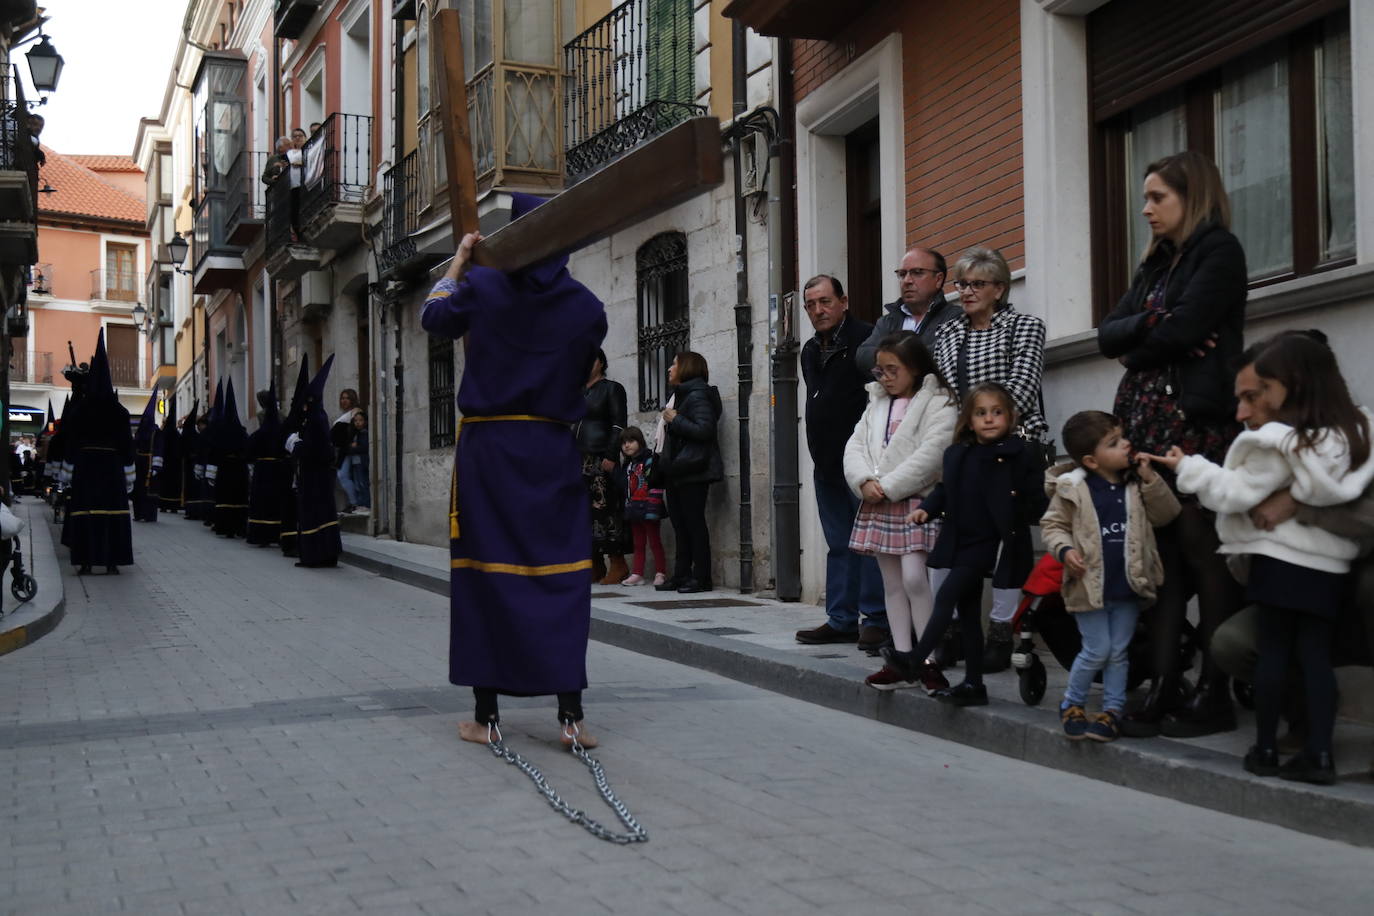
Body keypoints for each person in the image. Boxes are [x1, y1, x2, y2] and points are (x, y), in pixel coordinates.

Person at [420, 193, 607, 746]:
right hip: (551, 448)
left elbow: (434, 317)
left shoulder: (483, 287)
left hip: (490, 451)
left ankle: (487, 718)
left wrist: (460, 263)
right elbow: (584, 365)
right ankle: (571, 720)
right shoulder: (588, 308)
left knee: (485, 577)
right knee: (563, 576)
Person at [1148, 333, 1374, 785]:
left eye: (1256, 395)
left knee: (1276, 652)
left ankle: (1266, 749)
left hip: (1292, 567)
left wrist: (1188, 468)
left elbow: (1232, 493)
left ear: (1290, 386)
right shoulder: (1350, 441)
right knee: (1306, 654)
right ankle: (1319, 754)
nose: (1242, 414)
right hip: (1328, 571)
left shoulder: (1274, 443)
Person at [1097, 150, 1248, 739]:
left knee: (1201, 551)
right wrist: (1152, 331)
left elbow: (1186, 328)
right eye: (1146, 197)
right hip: (1144, 422)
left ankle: (1214, 691)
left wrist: (1153, 332)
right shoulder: (1157, 262)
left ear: (1194, 196)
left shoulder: (1219, 252)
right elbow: (1112, 335)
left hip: (1194, 422)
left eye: (1158, 197)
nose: (1146, 209)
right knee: (1158, 558)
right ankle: (1164, 684)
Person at [885, 383, 1049, 705]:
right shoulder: (959, 453)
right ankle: (974, 685)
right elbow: (945, 491)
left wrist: (1042, 509)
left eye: (997, 412)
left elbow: (1035, 496)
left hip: (991, 542)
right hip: (961, 538)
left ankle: (915, 660)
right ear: (969, 420)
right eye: (981, 413)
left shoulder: (1018, 454)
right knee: (969, 614)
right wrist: (925, 510)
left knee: (946, 594)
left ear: (1011, 417)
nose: (989, 419)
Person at [930, 246, 1048, 673]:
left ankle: (1002, 633)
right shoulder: (948, 333)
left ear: (1000, 288)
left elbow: (1021, 389)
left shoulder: (1025, 327)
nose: (967, 291)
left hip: (1015, 448)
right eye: (962, 283)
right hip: (967, 453)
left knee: (1009, 542)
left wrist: (981, 420)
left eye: (977, 283)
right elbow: (949, 396)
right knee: (958, 539)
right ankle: (953, 632)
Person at [1041, 411, 1180, 742]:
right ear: (1091, 460)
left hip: (1128, 583)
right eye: (1114, 443)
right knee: (1096, 649)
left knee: (1119, 651)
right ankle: (1072, 703)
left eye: (1123, 437)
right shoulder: (1074, 488)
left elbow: (1167, 514)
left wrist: (1150, 478)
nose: (1126, 444)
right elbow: (1053, 525)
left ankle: (1113, 709)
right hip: (1088, 585)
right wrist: (1064, 550)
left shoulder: (1135, 484)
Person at [843, 332, 958, 691]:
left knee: (914, 578)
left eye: (893, 370)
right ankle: (901, 657)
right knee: (892, 583)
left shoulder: (939, 403)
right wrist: (863, 481)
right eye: (881, 370)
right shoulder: (876, 403)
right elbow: (856, 445)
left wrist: (889, 486)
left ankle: (926, 658)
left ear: (915, 368)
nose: (885, 377)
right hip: (879, 501)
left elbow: (933, 453)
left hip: (913, 502)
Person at [794, 274, 891, 651]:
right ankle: (841, 619)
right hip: (826, 463)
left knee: (868, 542)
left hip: (862, 462)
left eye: (825, 301)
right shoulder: (808, 350)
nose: (818, 310)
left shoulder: (867, 340)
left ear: (843, 301)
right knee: (839, 543)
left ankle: (876, 619)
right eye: (811, 304)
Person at [61, 330, 134, 575]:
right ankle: (113, 562)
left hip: (86, 466)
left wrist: (67, 469)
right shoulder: (120, 412)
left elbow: (71, 441)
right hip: (112, 467)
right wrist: (129, 472)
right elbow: (127, 445)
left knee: (86, 510)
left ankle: (86, 562)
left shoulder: (79, 411)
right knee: (113, 512)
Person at [655, 351, 724, 594]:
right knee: (680, 524)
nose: (669, 369)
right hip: (678, 469)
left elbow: (705, 430)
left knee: (693, 523)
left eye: (674, 364)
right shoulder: (682, 395)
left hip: (693, 469)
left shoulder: (697, 396)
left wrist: (675, 420)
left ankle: (701, 577)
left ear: (687, 368)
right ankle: (681, 575)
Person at [856, 247, 960, 373]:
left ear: (938, 279)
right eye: (902, 274)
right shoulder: (887, 321)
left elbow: (939, 356)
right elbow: (863, 355)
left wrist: (889, 360)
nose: (907, 281)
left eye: (917, 272)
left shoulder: (955, 317)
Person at [578, 349, 629, 584]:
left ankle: (618, 564)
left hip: (601, 458)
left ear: (601, 363)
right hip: (578, 459)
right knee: (583, 513)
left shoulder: (612, 389)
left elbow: (619, 425)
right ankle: (594, 564)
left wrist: (611, 454)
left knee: (606, 510)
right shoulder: (578, 392)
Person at [286, 357, 343, 568]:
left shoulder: (315, 419)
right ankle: (326, 554)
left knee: (313, 514)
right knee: (323, 514)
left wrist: (294, 445)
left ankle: (315, 556)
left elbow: (311, 449)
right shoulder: (318, 417)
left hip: (314, 475)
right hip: (318, 474)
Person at [616, 426, 666, 586]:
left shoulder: (649, 459)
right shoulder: (628, 464)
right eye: (623, 443)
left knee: (654, 541)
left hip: (649, 506)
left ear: (640, 441)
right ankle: (637, 573)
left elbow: (656, 481)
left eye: (631, 441)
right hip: (633, 508)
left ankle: (661, 572)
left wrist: (653, 507)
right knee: (638, 543)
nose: (627, 445)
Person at [246, 385, 287, 546]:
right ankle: (277, 532)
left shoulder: (259, 434)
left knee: (262, 502)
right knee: (276, 501)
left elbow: (250, 451)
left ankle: (261, 534)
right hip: (277, 468)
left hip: (263, 470)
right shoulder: (281, 431)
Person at [209, 380, 250, 539]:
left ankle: (226, 528)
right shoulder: (241, 431)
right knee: (238, 498)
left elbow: (214, 451)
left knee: (225, 498)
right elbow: (247, 448)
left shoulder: (220, 432)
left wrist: (211, 471)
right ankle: (240, 527)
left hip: (225, 468)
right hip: (239, 468)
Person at [131, 392, 160, 523]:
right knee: (138, 490)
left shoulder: (156, 432)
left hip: (149, 463)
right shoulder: (139, 431)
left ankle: (149, 515)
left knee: (149, 491)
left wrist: (156, 466)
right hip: (138, 463)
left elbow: (159, 449)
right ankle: (138, 514)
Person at [332, 388, 362, 512]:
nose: (344, 400)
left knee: (343, 476)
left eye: (347, 398)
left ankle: (355, 503)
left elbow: (357, 426)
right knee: (342, 477)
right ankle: (351, 502)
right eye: (342, 398)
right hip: (340, 450)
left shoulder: (355, 411)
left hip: (347, 450)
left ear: (352, 399)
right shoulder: (344, 414)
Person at [347, 409, 371, 510]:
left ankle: (366, 504)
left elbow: (364, 447)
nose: (358, 422)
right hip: (356, 462)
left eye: (360, 420)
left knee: (363, 483)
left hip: (361, 461)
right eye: (356, 420)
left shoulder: (364, 433)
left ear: (365, 421)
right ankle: (361, 503)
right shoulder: (356, 433)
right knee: (357, 483)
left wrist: (354, 448)